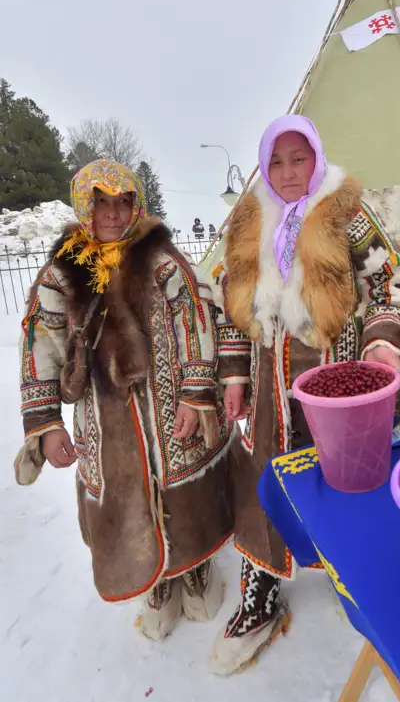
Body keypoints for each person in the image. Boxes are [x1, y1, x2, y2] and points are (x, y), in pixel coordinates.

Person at [209, 115, 400, 674]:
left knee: (340, 475)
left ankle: (351, 572)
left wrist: (380, 341)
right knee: (265, 478)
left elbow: (394, 282)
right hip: (268, 386)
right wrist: (233, 375)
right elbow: (231, 307)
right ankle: (262, 586)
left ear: (316, 158)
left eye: (297, 158)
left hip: (338, 380)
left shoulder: (347, 213)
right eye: (275, 161)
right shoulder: (248, 220)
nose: (287, 171)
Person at [14, 160, 235, 641]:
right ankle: (152, 577)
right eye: (101, 202)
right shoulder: (60, 275)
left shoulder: (163, 261)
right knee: (125, 493)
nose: (113, 213)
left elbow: (197, 322)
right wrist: (46, 423)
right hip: (103, 420)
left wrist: (197, 395)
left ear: (136, 205)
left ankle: (191, 567)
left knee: (179, 486)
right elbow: (39, 347)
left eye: (123, 202)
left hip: (169, 411)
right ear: (83, 206)